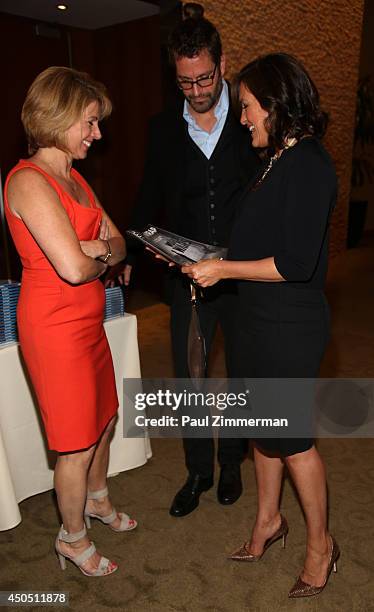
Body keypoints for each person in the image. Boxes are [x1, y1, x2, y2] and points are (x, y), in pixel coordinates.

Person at [181, 53, 340, 598]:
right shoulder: (275, 160)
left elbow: (295, 262)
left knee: (294, 441)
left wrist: (222, 268)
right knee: (263, 434)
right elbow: (256, 245)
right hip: (255, 319)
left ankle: (322, 547)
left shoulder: (311, 164)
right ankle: (268, 522)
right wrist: (198, 255)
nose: (241, 117)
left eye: (246, 107)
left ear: (274, 103)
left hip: (289, 326)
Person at [120, 7, 259, 517]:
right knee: (190, 376)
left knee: (242, 374)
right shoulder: (162, 129)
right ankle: (198, 469)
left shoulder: (250, 118)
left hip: (242, 276)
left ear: (221, 63)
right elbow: (149, 195)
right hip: (187, 279)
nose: (197, 91)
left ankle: (231, 463)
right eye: (185, 82)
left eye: (204, 78)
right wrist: (134, 249)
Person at [5, 66, 136, 577]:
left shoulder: (75, 177)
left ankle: (98, 501)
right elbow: (72, 268)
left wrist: (99, 248)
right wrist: (96, 254)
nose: (97, 133)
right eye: (89, 122)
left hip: (89, 319)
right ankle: (72, 538)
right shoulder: (27, 180)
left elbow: (118, 244)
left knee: (103, 417)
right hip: (55, 328)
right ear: (58, 118)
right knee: (75, 443)